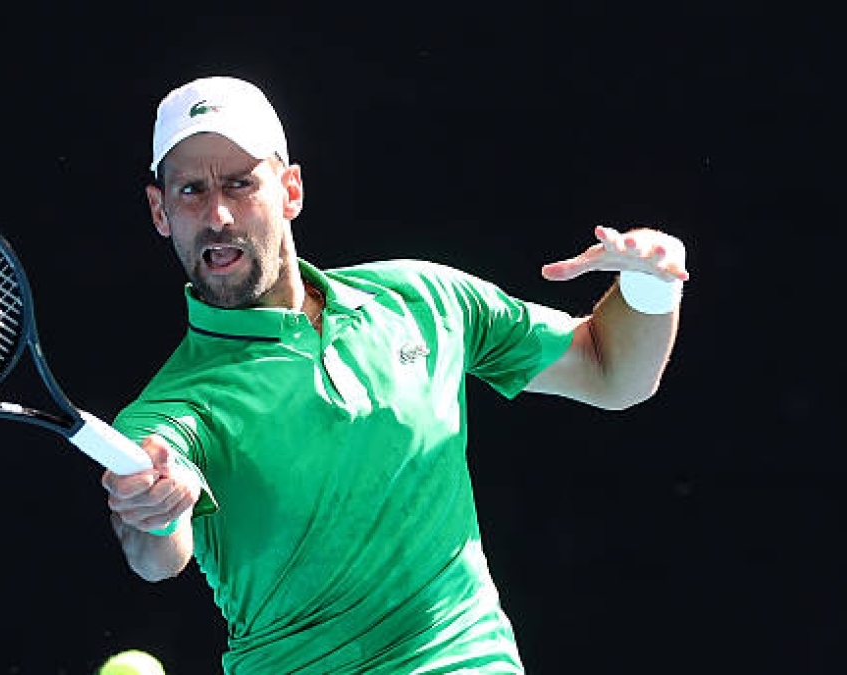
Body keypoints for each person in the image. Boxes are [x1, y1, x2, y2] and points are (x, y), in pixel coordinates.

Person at [100, 75, 689, 674]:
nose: (218, 213)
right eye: (192, 190)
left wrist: (648, 283)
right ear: (160, 210)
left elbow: (611, 371)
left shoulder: (425, 299)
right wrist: (155, 506)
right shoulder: (169, 413)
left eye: (240, 183)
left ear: (290, 189)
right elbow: (156, 554)